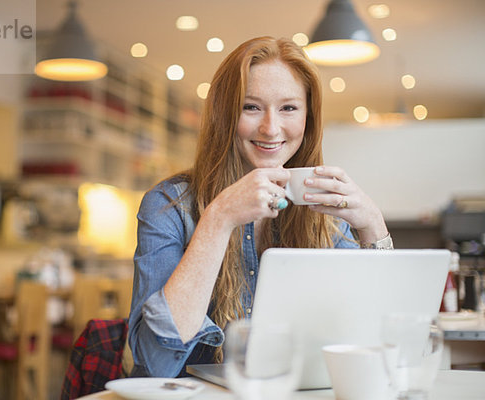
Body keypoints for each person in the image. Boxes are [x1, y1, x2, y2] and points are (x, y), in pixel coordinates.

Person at [127, 36, 393, 378]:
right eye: (251, 107)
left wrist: (373, 225)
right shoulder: (169, 206)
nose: (270, 128)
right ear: (224, 115)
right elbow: (156, 364)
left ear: (308, 118)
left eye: (289, 108)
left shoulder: (322, 212)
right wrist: (219, 218)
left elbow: (378, 342)